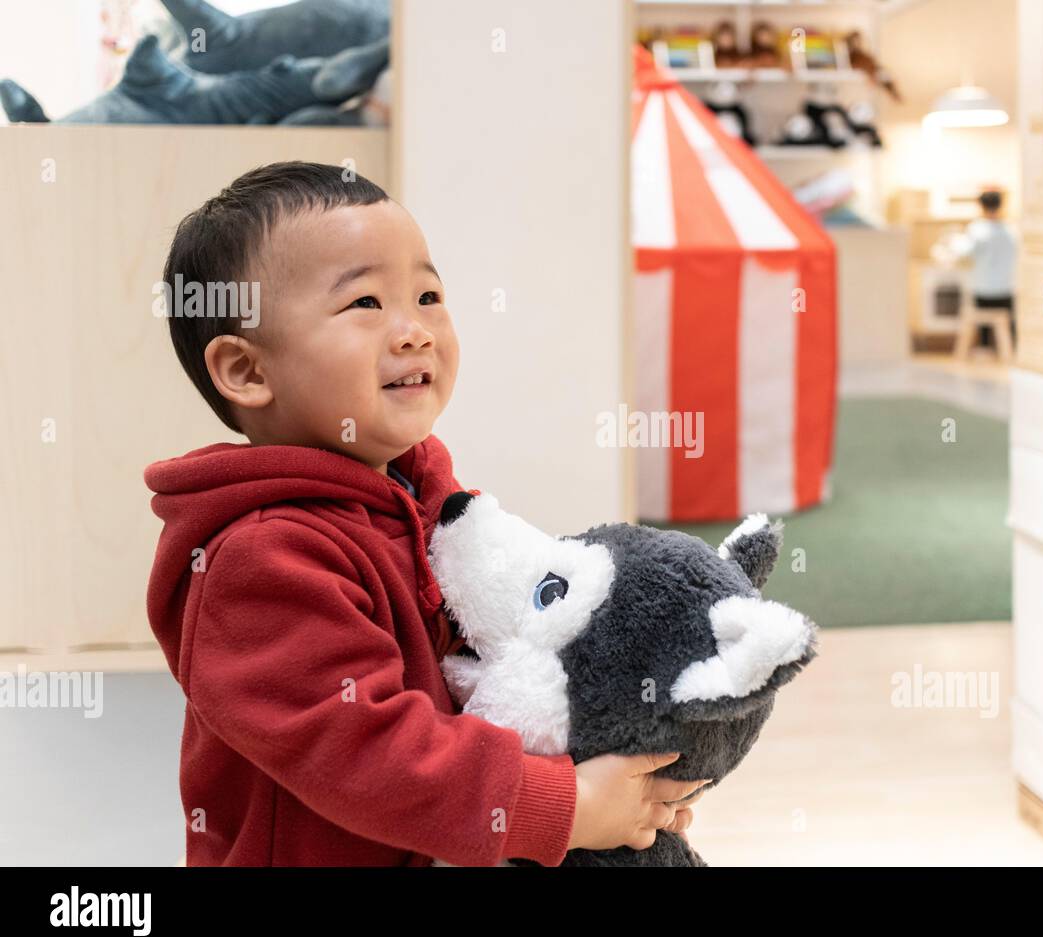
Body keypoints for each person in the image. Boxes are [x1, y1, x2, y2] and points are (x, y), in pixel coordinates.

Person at [144, 161, 708, 866]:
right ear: (250, 371)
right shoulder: (260, 560)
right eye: (365, 305)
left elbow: (512, 644)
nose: (414, 331)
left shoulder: (426, 498)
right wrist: (563, 808)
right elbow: (368, 754)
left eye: (428, 294)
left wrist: (609, 758)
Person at [950, 188, 1018, 350]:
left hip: (983, 289)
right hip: (1006, 288)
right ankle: (1010, 350)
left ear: (980, 206)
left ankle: (985, 347)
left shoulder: (977, 229)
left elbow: (964, 252)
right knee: (1008, 324)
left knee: (984, 323)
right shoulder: (1010, 230)